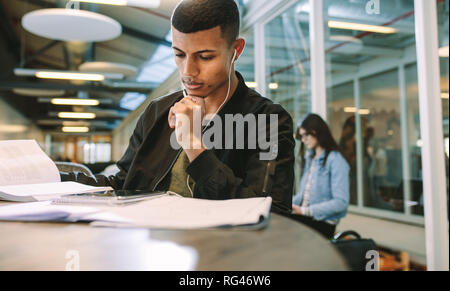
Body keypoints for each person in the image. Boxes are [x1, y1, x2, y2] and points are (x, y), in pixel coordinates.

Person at [60, 0, 295, 214]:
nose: (187, 71)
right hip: (152, 245)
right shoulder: (157, 112)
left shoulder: (268, 120)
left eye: (204, 57)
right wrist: (52, 179)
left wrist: (194, 146)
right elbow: (123, 183)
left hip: (223, 253)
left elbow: (272, 211)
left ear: (236, 51)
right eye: (179, 54)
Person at [292, 114, 350, 237]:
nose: (303, 140)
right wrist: (283, 204)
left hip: (323, 223)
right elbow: (303, 196)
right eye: (301, 136)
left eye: (306, 135)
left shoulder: (336, 160)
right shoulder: (311, 158)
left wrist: (304, 211)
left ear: (316, 132)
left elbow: (341, 202)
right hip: (307, 218)